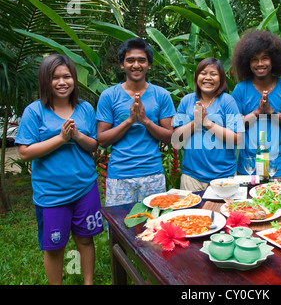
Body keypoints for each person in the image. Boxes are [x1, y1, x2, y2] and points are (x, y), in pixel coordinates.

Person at [15, 54, 102, 285]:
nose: (62, 82)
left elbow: (93, 145)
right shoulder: (34, 111)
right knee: (54, 247)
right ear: (46, 80)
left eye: (67, 76)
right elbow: (24, 152)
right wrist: (61, 138)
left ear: (74, 79)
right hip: (51, 193)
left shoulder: (85, 109)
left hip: (85, 187)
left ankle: (88, 282)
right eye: (55, 77)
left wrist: (76, 135)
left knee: (85, 240)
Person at [96, 37, 176, 206]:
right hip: (119, 175)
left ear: (149, 65)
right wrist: (130, 121)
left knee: (153, 227)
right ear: (122, 64)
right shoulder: (109, 96)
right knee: (120, 227)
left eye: (142, 60)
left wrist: (145, 120)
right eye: (130, 60)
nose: (136, 65)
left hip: (152, 174)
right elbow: (102, 140)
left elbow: (170, 137)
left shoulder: (161, 95)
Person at [231, 30, 281, 181]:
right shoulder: (241, 89)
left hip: (276, 167)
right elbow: (234, 125)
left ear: (274, 60)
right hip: (248, 167)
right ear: (247, 62)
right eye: (254, 59)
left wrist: (270, 112)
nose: (260, 64)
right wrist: (258, 112)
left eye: (265, 58)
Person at [172, 58, 244, 191]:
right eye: (203, 73)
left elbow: (237, 138)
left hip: (224, 177)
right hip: (191, 178)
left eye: (213, 74)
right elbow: (176, 139)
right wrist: (196, 122)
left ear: (221, 79)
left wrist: (207, 123)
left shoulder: (227, 101)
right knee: (191, 212)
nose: (208, 78)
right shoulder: (187, 101)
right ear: (197, 76)